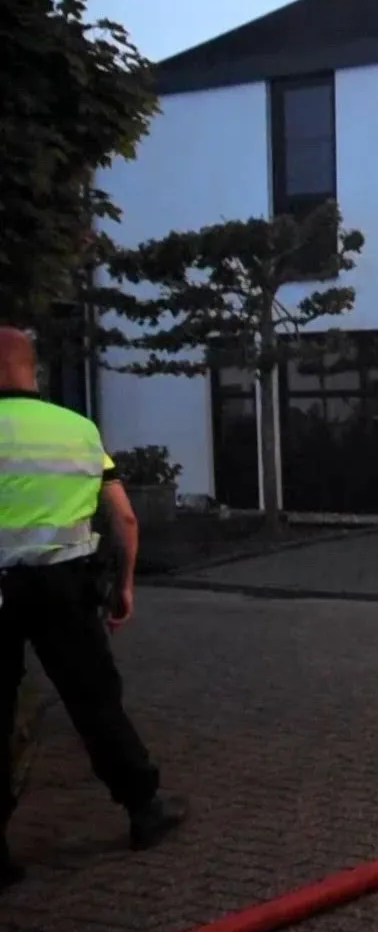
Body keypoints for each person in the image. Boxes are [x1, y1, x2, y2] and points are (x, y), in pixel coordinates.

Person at [1, 326, 186, 892]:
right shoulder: (78, 430)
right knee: (94, 701)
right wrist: (124, 585)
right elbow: (124, 517)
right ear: (33, 367)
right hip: (65, 590)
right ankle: (143, 809)